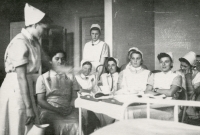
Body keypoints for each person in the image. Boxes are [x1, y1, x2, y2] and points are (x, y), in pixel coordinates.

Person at [0, 3, 51, 135]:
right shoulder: (20, 42)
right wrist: (28, 107)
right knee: (18, 125)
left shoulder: (34, 43)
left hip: (26, 87)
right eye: (44, 29)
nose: (45, 33)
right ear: (34, 25)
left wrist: (69, 70)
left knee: (29, 126)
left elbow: (48, 63)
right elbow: (21, 77)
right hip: (16, 89)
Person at [36, 50, 79, 135]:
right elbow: (40, 101)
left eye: (63, 59)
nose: (60, 61)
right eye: (57, 59)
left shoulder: (71, 76)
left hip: (68, 109)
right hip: (49, 109)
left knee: (76, 125)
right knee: (56, 125)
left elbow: (74, 96)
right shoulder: (42, 78)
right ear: (50, 61)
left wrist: (70, 108)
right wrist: (57, 110)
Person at [176, 51, 200, 121]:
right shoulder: (178, 72)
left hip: (190, 101)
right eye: (181, 65)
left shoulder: (198, 75)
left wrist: (188, 76)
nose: (182, 68)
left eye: (185, 66)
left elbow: (191, 93)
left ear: (191, 66)